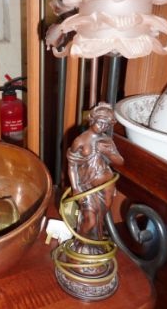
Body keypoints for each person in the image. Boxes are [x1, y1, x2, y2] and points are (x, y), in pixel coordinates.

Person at [67, 102, 124, 242]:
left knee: (100, 219)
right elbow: (72, 166)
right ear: (92, 119)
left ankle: (94, 245)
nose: (103, 127)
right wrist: (75, 189)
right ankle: (80, 242)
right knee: (90, 219)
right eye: (100, 122)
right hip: (87, 187)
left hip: (107, 187)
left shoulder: (107, 141)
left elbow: (120, 162)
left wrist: (108, 153)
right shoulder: (80, 140)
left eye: (107, 124)